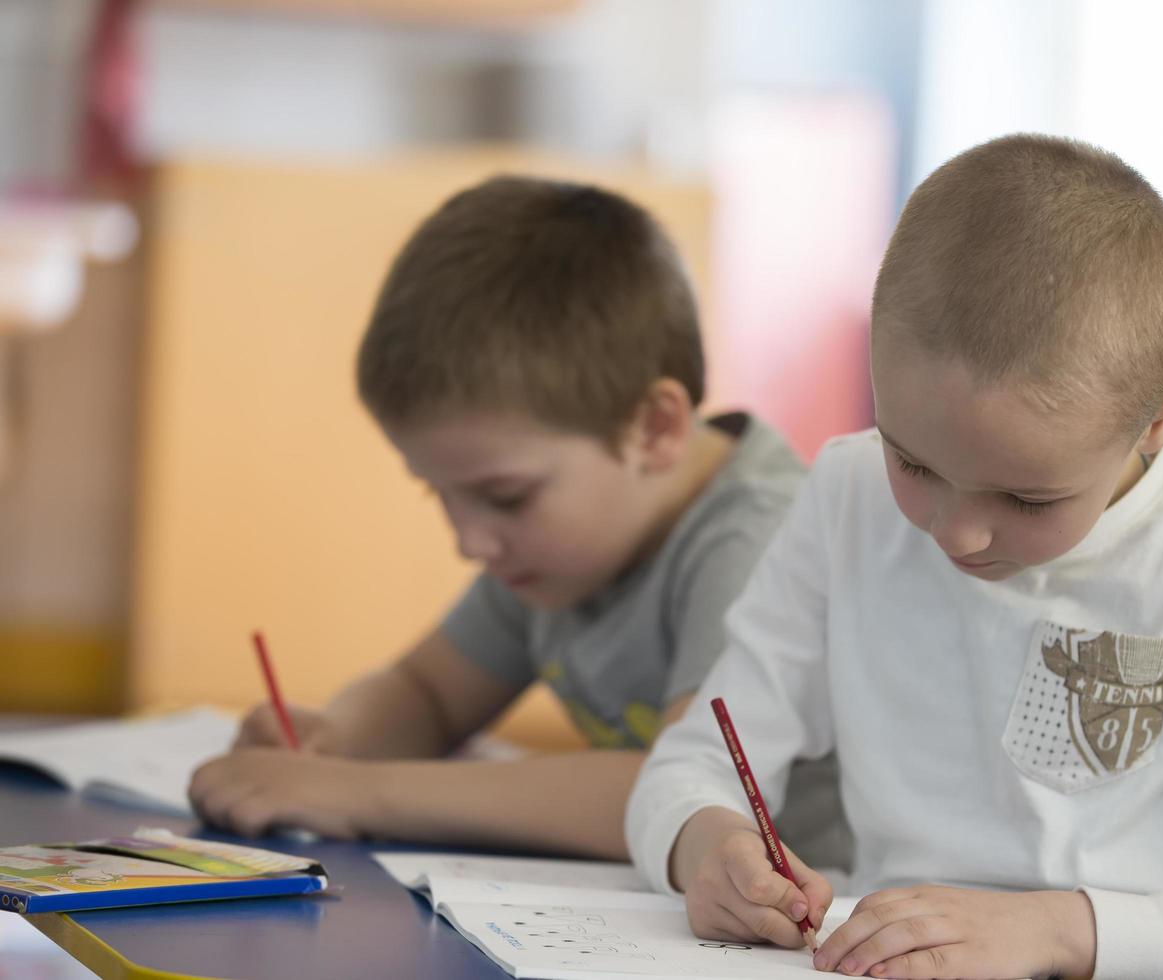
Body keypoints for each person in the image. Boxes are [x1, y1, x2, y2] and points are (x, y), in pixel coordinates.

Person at [627, 134, 1163, 979]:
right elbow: (695, 763)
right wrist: (707, 845)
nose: (956, 534)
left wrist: (1063, 933)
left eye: (1028, 500)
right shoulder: (848, 492)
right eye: (912, 462)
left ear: (1158, 424)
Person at [189, 175, 847, 865]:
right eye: (436, 493)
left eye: (505, 496)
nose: (470, 542)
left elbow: (682, 793)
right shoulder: (561, 550)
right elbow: (428, 693)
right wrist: (332, 744)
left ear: (654, 429)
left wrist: (356, 791)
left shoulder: (759, 539)